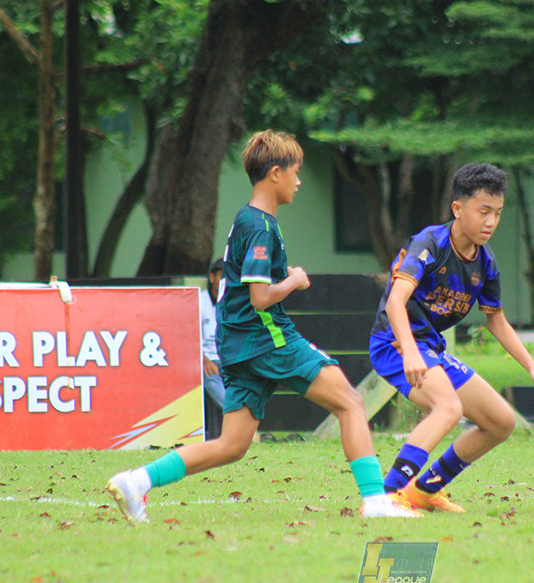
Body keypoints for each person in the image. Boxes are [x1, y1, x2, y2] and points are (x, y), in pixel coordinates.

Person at [107, 129, 419, 522]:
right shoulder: (261, 226)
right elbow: (260, 297)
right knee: (351, 402)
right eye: (296, 171)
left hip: (237, 345)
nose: (300, 181)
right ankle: (376, 502)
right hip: (265, 337)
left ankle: (137, 481)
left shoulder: (248, 218)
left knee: (232, 445)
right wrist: (293, 280)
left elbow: (244, 278)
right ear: (275, 173)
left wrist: (277, 272)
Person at [370, 162, 534, 513]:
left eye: (498, 213)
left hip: (430, 348)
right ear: (458, 209)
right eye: (483, 211)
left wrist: (533, 368)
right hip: (394, 343)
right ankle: (387, 496)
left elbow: (497, 322)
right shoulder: (429, 244)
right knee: (448, 408)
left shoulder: (485, 262)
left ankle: (425, 491)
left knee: (501, 422)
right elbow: (396, 301)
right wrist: (410, 352)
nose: (491, 222)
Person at [200, 259, 225, 437]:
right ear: (212, 277)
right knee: (211, 378)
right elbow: (190, 336)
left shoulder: (234, 303)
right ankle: (236, 412)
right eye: (222, 275)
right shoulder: (199, 301)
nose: (226, 280)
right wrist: (204, 359)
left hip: (230, 360)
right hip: (208, 360)